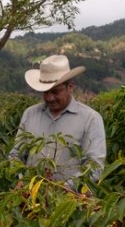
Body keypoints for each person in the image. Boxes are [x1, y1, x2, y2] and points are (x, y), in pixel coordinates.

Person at [9, 54, 106, 190]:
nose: (49, 98)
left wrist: (63, 189)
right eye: (45, 92)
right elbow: (16, 155)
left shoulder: (91, 119)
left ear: (70, 87)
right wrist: (21, 179)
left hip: (72, 204)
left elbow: (95, 166)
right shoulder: (30, 114)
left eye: (55, 92)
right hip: (31, 202)